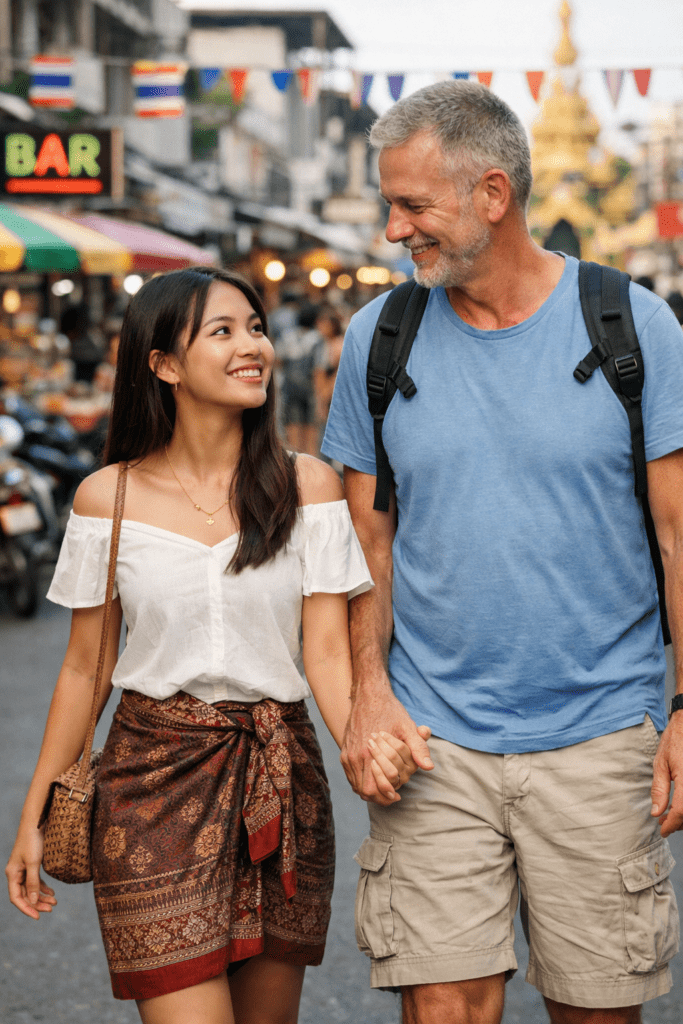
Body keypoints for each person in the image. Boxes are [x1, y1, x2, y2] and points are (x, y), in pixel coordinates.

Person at [321, 80, 683, 1024]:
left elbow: (680, 535)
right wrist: (367, 693)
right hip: (433, 739)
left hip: (602, 733)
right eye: (388, 204)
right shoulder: (377, 338)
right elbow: (366, 537)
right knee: (445, 1005)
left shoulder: (633, 328)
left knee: (594, 1009)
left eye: (412, 205)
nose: (395, 229)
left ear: (492, 194)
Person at [5, 266, 420, 1024]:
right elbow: (82, 670)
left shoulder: (308, 487)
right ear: (163, 364)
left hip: (279, 774)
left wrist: (364, 747)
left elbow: (325, 653)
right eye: (222, 331)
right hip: (147, 787)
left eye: (254, 328)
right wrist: (34, 814)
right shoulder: (109, 497)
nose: (251, 346)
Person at [276, 302, 323, 457]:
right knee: (311, 436)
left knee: (293, 435)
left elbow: (279, 361)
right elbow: (318, 370)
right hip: (309, 390)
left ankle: (294, 474)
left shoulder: (286, 336)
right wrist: (320, 400)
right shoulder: (317, 339)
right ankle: (311, 476)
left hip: (290, 388)